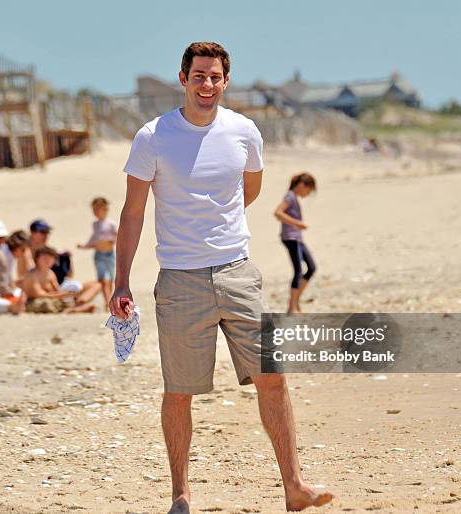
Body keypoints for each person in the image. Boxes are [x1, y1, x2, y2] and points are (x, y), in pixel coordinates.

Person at [109, 42, 332, 513]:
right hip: (179, 280)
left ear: (225, 81)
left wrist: (218, 228)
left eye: (215, 77)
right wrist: (121, 281)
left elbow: (247, 191)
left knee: (272, 377)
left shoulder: (244, 131)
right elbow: (132, 213)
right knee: (179, 391)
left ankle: (295, 487)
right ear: (183, 78)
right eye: (198, 76)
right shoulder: (153, 136)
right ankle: (181, 496)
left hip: (237, 273)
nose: (206, 84)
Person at [274, 173, 317, 314]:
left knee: (311, 267)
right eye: (308, 190)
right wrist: (297, 223)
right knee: (298, 271)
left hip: (297, 238)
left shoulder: (294, 198)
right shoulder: (290, 196)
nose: (308, 194)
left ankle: (295, 303)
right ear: (302, 185)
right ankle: (292, 307)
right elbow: (278, 212)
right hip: (290, 237)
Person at [21, 246, 96, 314]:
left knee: (67, 300)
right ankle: (73, 310)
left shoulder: (50, 273)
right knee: (46, 304)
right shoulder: (32, 275)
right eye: (45, 258)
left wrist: (66, 294)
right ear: (37, 258)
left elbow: (57, 290)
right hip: (35, 300)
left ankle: (73, 309)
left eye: (50, 258)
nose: (48, 261)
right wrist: (63, 294)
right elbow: (40, 294)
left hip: (51, 299)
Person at [77, 197, 118, 309]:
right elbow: (94, 238)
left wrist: (112, 240)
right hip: (99, 254)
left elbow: (117, 236)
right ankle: (107, 302)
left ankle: (111, 300)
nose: (95, 212)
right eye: (94, 209)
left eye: (98, 209)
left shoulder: (111, 223)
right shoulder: (95, 224)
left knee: (111, 279)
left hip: (110, 254)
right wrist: (85, 246)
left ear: (105, 209)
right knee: (104, 280)